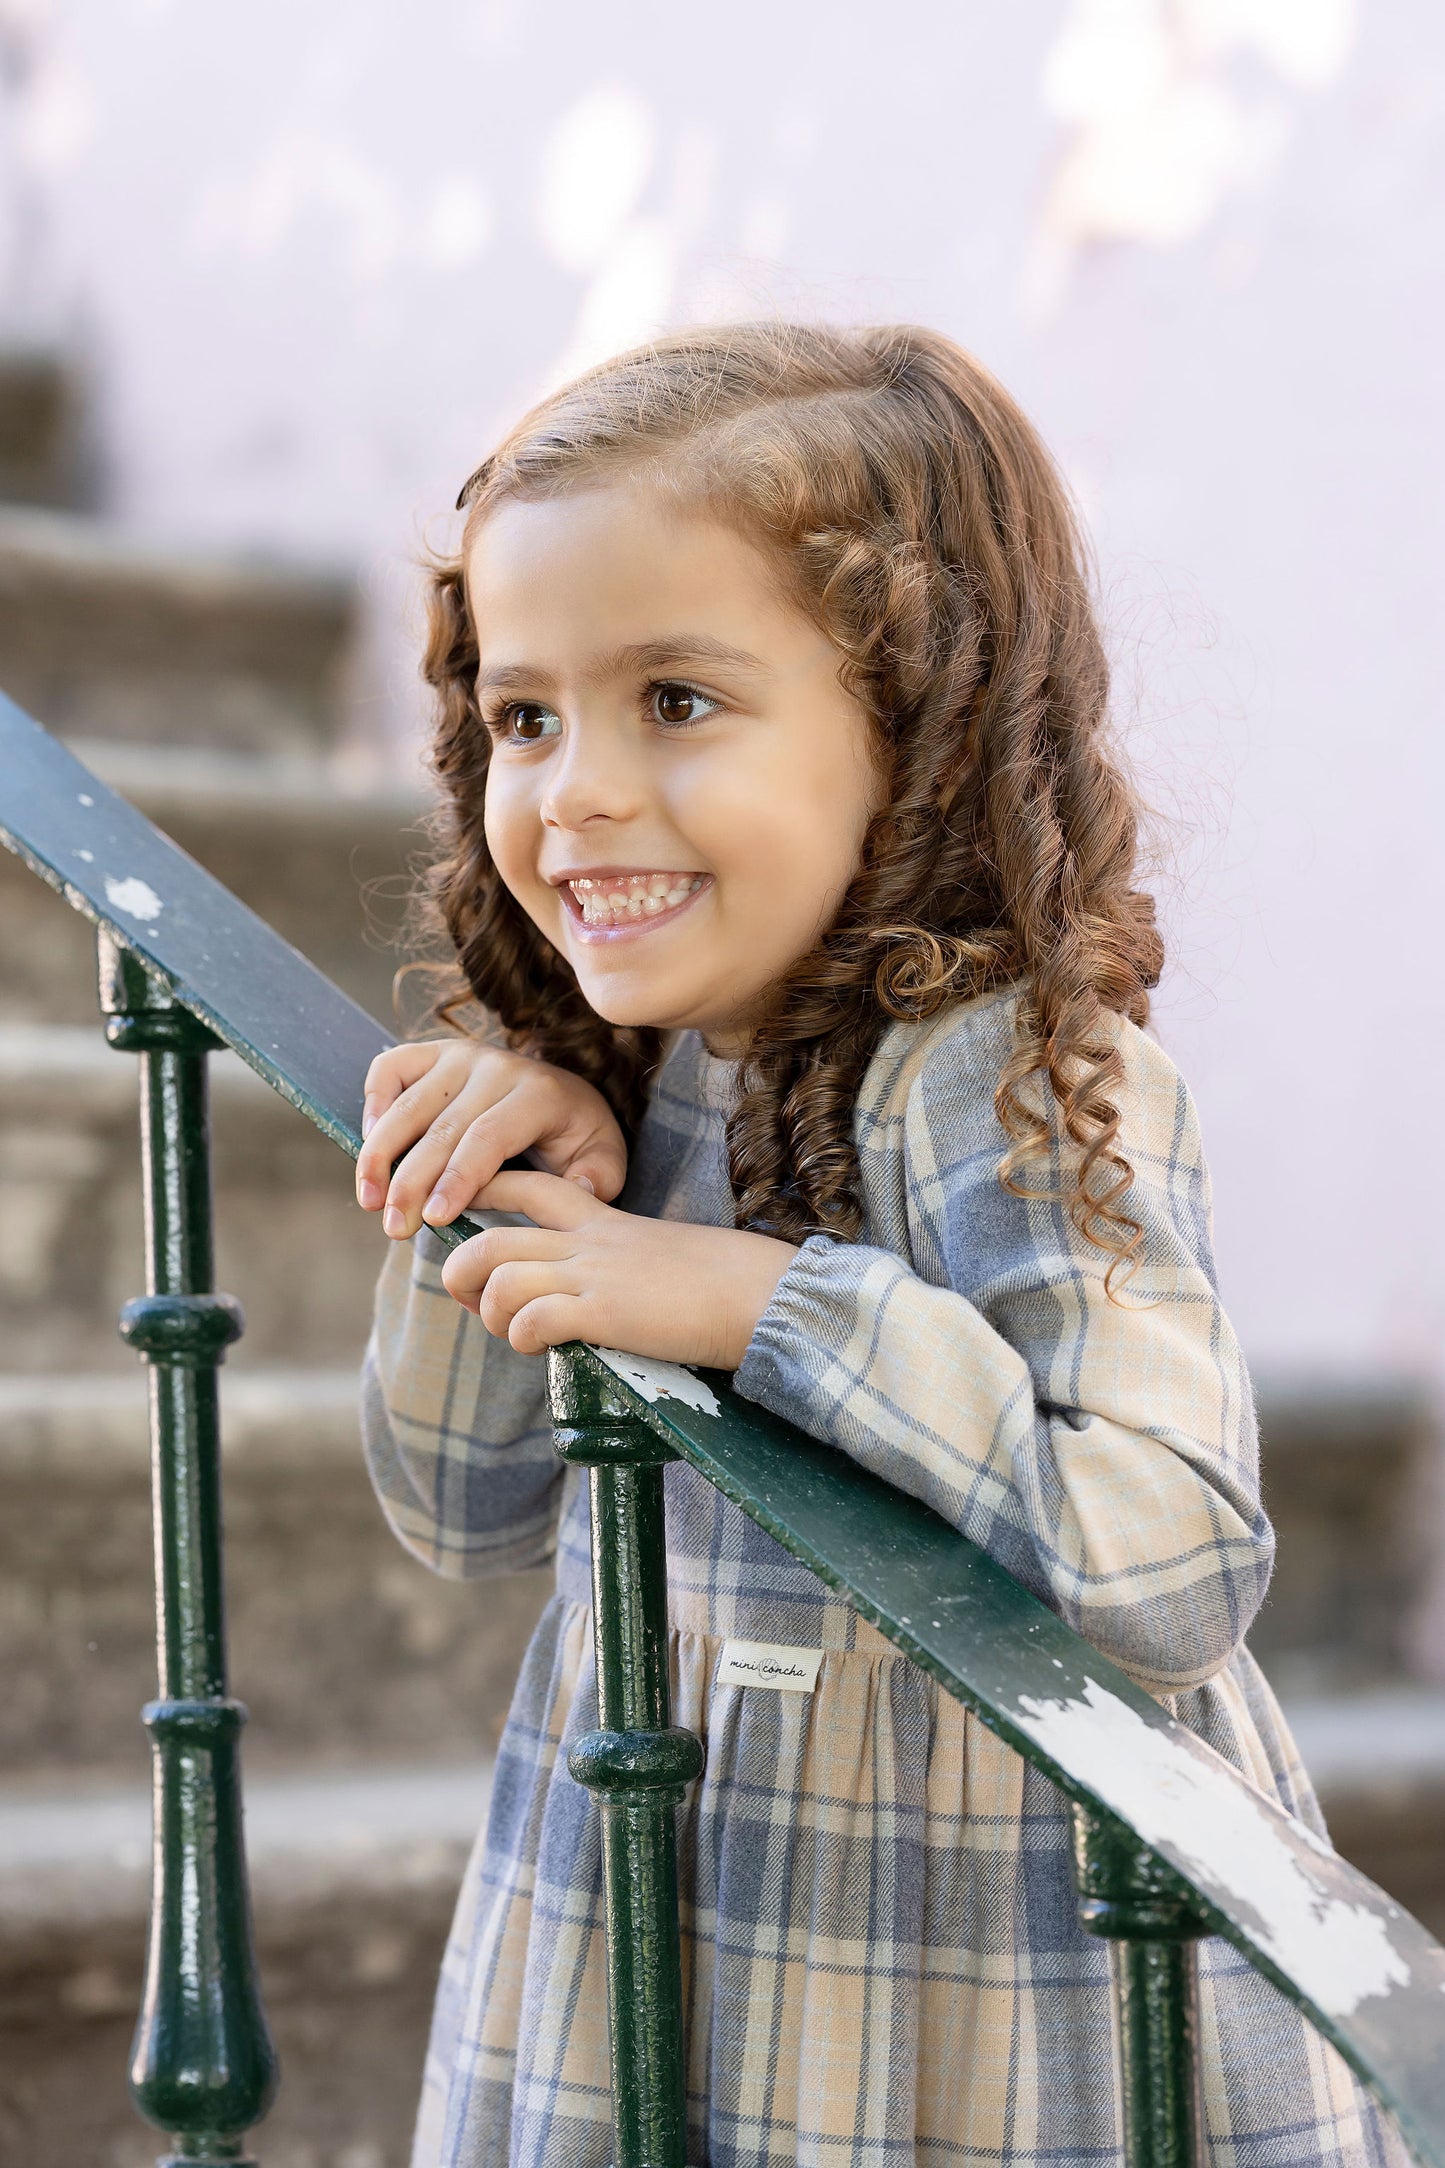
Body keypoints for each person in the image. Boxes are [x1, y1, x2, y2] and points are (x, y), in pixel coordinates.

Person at [354, 323, 1402, 2168]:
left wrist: (775, 1306)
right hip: (658, 1929)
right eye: (524, 715)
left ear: (908, 735)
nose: (574, 788)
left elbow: (1171, 1555)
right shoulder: (627, 1069)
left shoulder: (1016, 1079)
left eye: (674, 698)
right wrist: (481, 1178)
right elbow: (455, 1508)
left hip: (978, 1982)